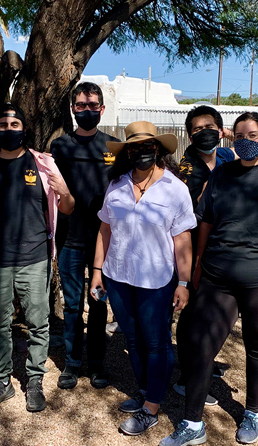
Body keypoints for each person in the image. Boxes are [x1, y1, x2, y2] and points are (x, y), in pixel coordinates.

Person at [160, 112, 258, 446]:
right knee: (201, 345)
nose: (246, 141)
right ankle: (192, 425)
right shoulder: (221, 175)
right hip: (219, 276)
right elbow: (203, 222)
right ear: (233, 138)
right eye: (241, 136)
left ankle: (252, 411)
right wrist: (197, 269)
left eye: (253, 135)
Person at [0, 103, 74, 413]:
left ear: (25, 129)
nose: (9, 130)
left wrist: (64, 191)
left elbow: (68, 208)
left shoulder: (44, 165)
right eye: (3, 125)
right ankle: (1, 384)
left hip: (34, 259)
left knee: (38, 323)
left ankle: (35, 382)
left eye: (15, 125)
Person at [90, 121, 196, 436]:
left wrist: (184, 282)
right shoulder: (117, 185)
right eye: (135, 147)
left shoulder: (176, 189)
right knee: (133, 340)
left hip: (158, 281)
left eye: (148, 147)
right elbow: (104, 230)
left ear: (159, 150)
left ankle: (151, 406)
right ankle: (145, 389)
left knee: (157, 342)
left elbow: (183, 241)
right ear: (127, 153)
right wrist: (97, 272)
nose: (142, 152)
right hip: (118, 275)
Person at [50, 82, 119, 389]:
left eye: (93, 106)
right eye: (81, 106)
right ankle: (72, 363)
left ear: (102, 110)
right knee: (73, 305)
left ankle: (98, 364)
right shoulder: (60, 147)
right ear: (73, 109)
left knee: (100, 303)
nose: (87, 111)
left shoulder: (115, 147)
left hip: (105, 242)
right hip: (69, 239)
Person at [174, 105, 237, 404]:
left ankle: (201, 365)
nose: (204, 133)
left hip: (222, 249)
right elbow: (188, 210)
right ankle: (188, 377)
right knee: (193, 313)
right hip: (196, 250)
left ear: (220, 130)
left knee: (212, 312)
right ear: (189, 135)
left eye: (209, 127)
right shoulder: (187, 168)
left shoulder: (225, 157)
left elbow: (249, 161)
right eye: (197, 129)